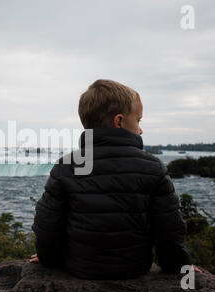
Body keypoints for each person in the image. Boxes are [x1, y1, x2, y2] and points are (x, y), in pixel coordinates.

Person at [30, 79, 201, 279]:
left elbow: (47, 223)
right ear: (119, 121)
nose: (141, 129)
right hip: (133, 271)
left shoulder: (67, 166)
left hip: (80, 269)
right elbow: (169, 230)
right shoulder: (153, 168)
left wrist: (48, 258)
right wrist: (178, 266)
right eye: (138, 120)